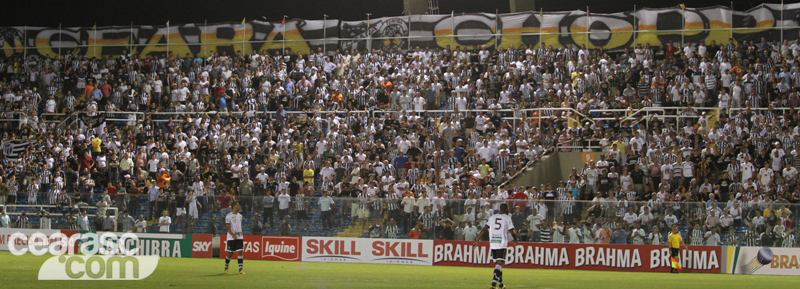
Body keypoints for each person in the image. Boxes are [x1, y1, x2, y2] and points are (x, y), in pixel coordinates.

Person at [473, 203, 518, 289]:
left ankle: (501, 284)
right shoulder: (507, 218)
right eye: (508, 209)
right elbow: (512, 231)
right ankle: (493, 284)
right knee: (500, 263)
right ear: (505, 209)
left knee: (498, 263)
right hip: (501, 242)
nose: (508, 210)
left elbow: (484, 229)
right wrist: (515, 239)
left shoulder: (492, 217)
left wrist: (478, 239)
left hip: (493, 242)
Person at [224, 201, 245, 274]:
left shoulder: (240, 216)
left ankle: (240, 269)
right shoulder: (228, 216)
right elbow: (227, 226)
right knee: (230, 253)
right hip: (231, 237)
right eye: (237, 205)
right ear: (233, 206)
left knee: (240, 252)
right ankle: (226, 267)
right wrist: (232, 234)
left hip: (239, 236)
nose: (238, 206)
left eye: (239, 205)